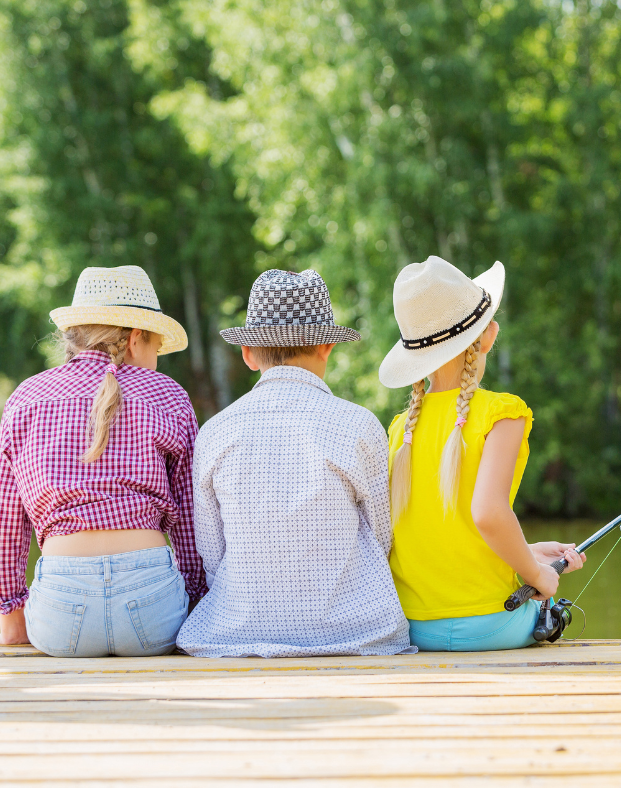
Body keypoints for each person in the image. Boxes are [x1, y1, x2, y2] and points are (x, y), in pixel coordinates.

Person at [176, 269, 413, 658]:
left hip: (237, 633)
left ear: (248, 354)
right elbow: (383, 538)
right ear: (327, 348)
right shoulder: (358, 424)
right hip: (354, 633)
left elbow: (212, 555)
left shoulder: (216, 432)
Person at [379, 256, 585, 652]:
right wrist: (538, 577)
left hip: (415, 628)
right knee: (553, 610)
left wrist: (528, 552)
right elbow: (488, 514)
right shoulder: (502, 414)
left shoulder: (400, 429)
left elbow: (444, 532)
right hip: (492, 626)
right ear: (488, 336)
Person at [0, 265, 207, 656]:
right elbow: (191, 517)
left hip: (60, 618)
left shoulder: (26, 397)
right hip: (153, 611)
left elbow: (7, 520)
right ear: (135, 338)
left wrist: (11, 613)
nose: (157, 360)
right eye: (155, 347)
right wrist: (195, 599)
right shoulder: (168, 395)